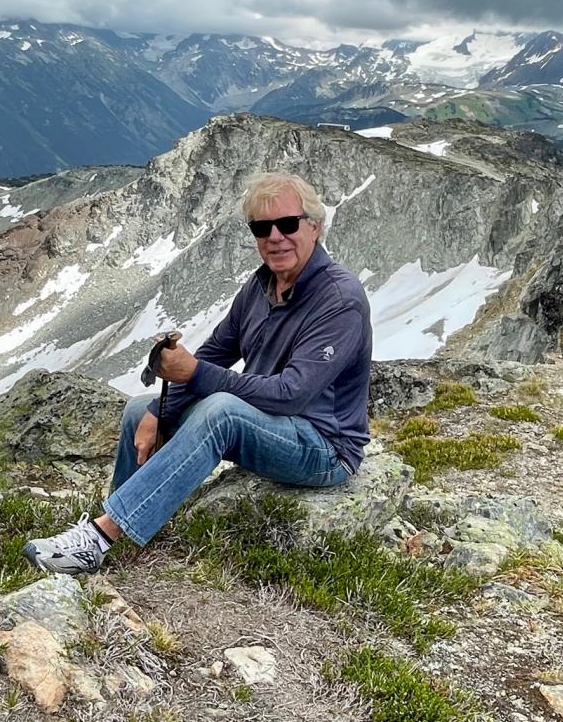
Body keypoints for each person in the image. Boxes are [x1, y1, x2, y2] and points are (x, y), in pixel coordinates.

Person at [22, 172, 373, 575]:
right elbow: (218, 353)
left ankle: (97, 539)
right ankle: (118, 529)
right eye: (262, 228)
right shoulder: (260, 287)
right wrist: (161, 407)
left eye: (287, 224)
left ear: (315, 226)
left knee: (221, 411)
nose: (275, 237)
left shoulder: (339, 299)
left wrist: (193, 373)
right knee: (141, 410)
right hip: (275, 426)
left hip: (325, 448)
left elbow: (292, 394)